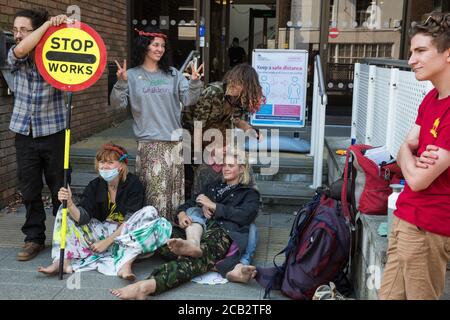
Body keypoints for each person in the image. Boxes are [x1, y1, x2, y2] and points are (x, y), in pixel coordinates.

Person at [110, 150, 260, 299]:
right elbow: (189, 203)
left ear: (241, 169)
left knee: (196, 259)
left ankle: (147, 286)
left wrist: (213, 206)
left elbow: (246, 215)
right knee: (159, 228)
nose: (226, 168)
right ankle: (190, 248)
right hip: (194, 230)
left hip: (221, 232)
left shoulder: (248, 193)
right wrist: (181, 214)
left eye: (231, 165)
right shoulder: (213, 187)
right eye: (224, 165)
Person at [379, 12, 450, 300]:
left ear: (448, 55)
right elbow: (403, 146)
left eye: (421, 51)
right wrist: (408, 153)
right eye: (411, 52)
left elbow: (420, 179)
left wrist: (408, 153)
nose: (411, 60)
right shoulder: (431, 99)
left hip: (428, 227)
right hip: (405, 218)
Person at [38, 144, 172, 280]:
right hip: (101, 233)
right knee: (64, 210)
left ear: (121, 166)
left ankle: (125, 265)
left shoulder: (133, 183)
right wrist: (70, 203)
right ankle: (62, 261)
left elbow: (130, 221)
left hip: (125, 235)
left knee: (150, 212)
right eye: (102, 162)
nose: (104, 166)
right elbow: (83, 218)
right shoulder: (95, 185)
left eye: (110, 162)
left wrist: (107, 242)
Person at [110, 27, 204, 221]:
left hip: (175, 143)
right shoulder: (132, 76)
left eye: (162, 45)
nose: (159, 49)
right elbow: (117, 105)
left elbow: (188, 100)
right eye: (155, 45)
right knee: (154, 197)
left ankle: (169, 235)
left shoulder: (173, 74)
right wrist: (120, 83)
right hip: (150, 144)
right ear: (145, 46)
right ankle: (153, 237)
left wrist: (194, 82)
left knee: (173, 196)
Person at [8, 9, 72, 261]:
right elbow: (21, 50)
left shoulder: (55, 55)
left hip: (54, 131)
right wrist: (47, 24)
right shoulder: (16, 56)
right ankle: (34, 238)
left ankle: (62, 237)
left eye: (23, 29)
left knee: (59, 186)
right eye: (15, 29)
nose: (17, 35)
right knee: (30, 188)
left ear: (34, 31)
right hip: (24, 131)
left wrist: (59, 25)